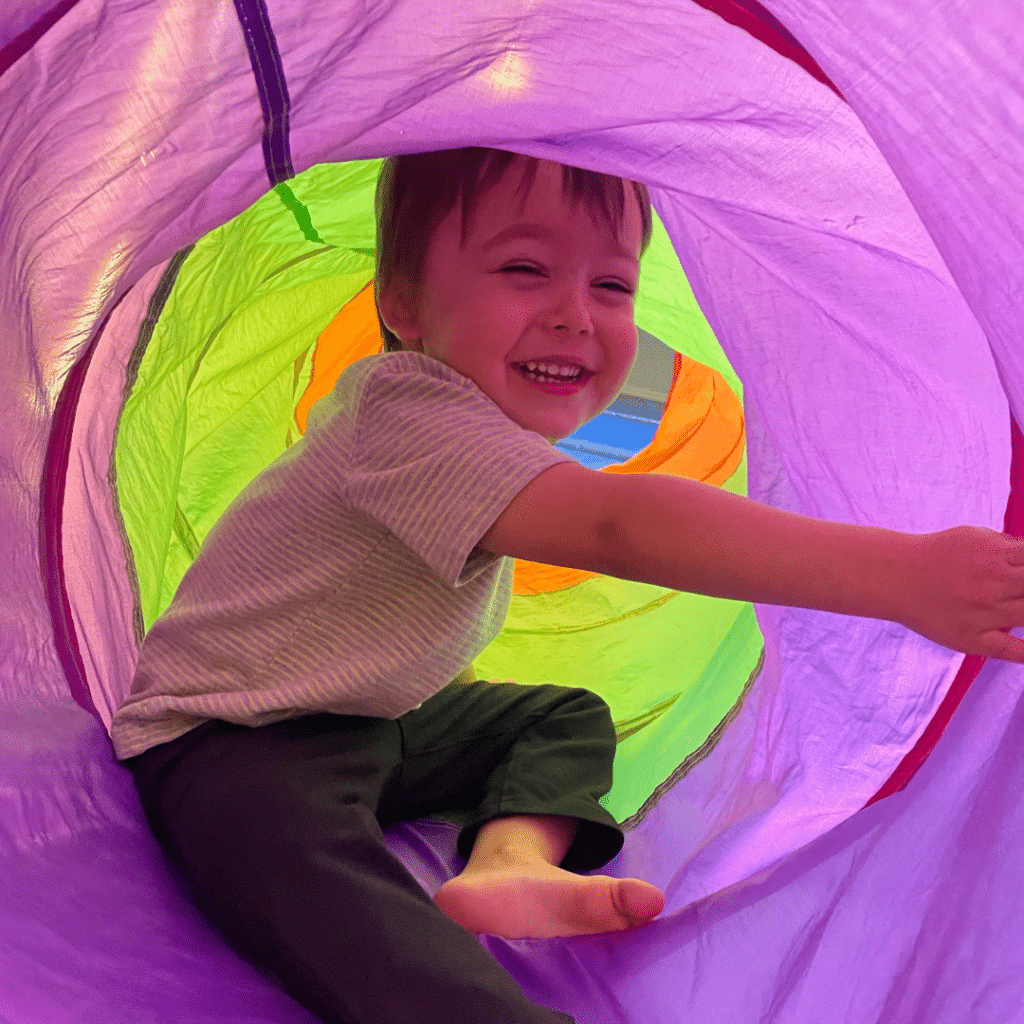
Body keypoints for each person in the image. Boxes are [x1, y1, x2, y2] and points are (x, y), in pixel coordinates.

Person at [112, 145, 1024, 1024]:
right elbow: (615, 524)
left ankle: (508, 862)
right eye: (523, 269)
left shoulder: (479, 428)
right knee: (307, 876)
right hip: (230, 740)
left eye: (613, 284)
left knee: (562, 713)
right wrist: (903, 574)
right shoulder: (406, 415)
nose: (575, 314)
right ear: (402, 301)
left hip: (366, 720)